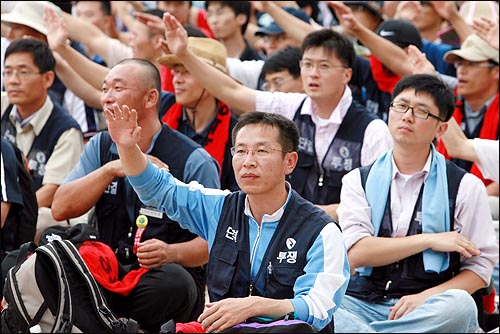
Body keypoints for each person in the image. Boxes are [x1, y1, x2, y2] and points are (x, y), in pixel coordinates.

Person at [104, 107, 350, 332]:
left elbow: (318, 307)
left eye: (262, 151)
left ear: (290, 161)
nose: (248, 161)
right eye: (240, 151)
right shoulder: (220, 207)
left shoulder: (321, 230)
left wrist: (254, 306)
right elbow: (160, 189)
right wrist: (127, 147)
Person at [161, 12, 392, 221]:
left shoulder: (373, 130)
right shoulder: (291, 106)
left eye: (323, 66)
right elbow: (231, 92)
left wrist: (311, 215)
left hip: (340, 242)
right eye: (308, 64)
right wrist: (184, 55)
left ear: (347, 74)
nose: (313, 73)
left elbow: (376, 204)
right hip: (285, 235)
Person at [51, 58, 220, 332]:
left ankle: (104, 320)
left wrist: (171, 252)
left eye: (117, 88)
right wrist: (112, 168)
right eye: (104, 89)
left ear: (151, 97)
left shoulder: (193, 159)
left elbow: (215, 243)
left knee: (173, 282)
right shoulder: (102, 144)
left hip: (159, 279)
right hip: (108, 270)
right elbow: (61, 207)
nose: (107, 97)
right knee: (54, 247)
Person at [335, 74, 499, 333]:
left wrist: (426, 297)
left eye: (421, 111)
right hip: (364, 301)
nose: (407, 116)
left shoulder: (466, 186)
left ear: (441, 129)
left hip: (429, 304)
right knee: (327, 308)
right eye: (401, 106)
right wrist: (429, 240)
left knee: (460, 306)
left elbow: (480, 270)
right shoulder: (357, 180)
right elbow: (356, 253)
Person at [1, 38, 84, 244]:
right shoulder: (3, 104)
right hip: (7, 207)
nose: (13, 80)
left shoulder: (66, 130)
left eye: (23, 72)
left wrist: (12, 212)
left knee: (44, 220)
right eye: (8, 72)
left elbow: (52, 191)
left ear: (47, 79)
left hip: (39, 214)